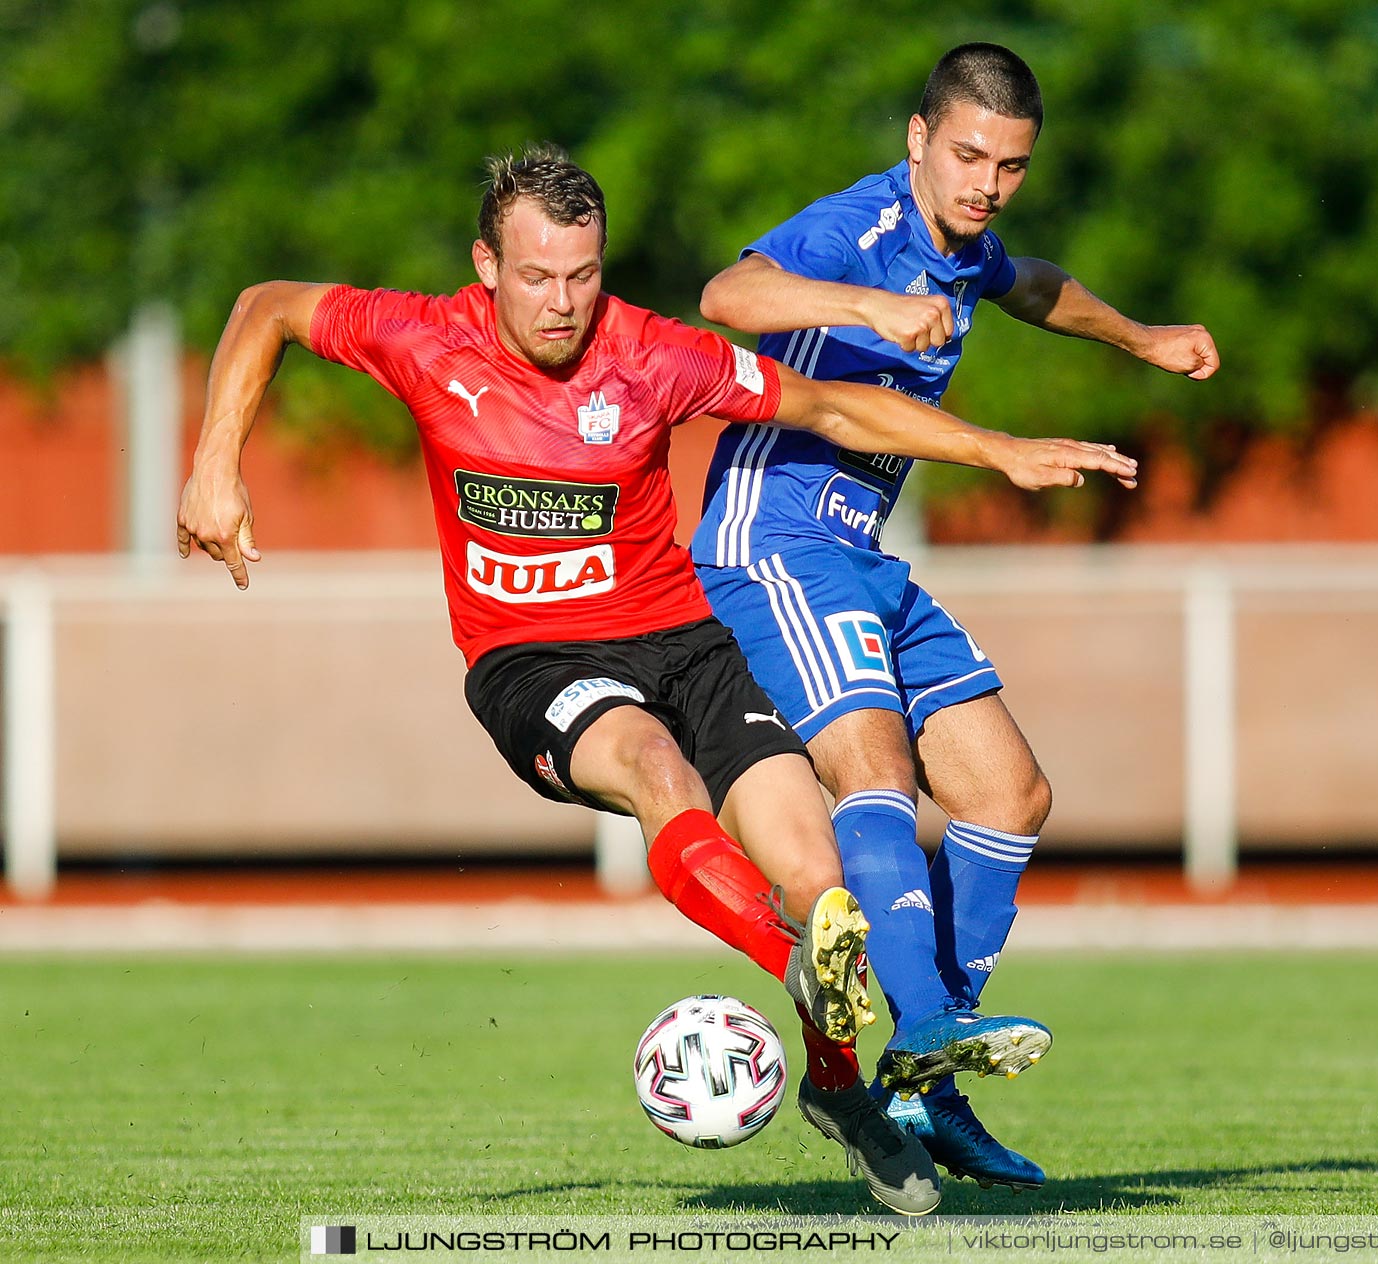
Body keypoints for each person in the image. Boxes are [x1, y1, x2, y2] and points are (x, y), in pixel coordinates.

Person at [175, 147, 1137, 1216]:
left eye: (583, 275)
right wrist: (217, 461)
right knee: (653, 766)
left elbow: (828, 409)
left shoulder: (654, 355)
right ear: (484, 265)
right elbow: (265, 305)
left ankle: (837, 1088)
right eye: (537, 276)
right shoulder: (419, 336)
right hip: (531, 661)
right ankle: (802, 969)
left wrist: (997, 449)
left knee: (814, 867)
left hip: (684, 640)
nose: (563, 302)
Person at [692, 44, 1219, 1192]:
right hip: (775, 545)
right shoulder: (859, 228)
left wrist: (1144, 338)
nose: (986, 183)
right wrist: (867, 303)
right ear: (919, 136)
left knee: (1009, 793)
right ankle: (925, 1034)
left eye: (1011, 165)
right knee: (877, 773)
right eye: (968, 154)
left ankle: (923, 1093)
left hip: (862, 555)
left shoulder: (967, 244)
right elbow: (727, 298)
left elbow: (1026, 282)